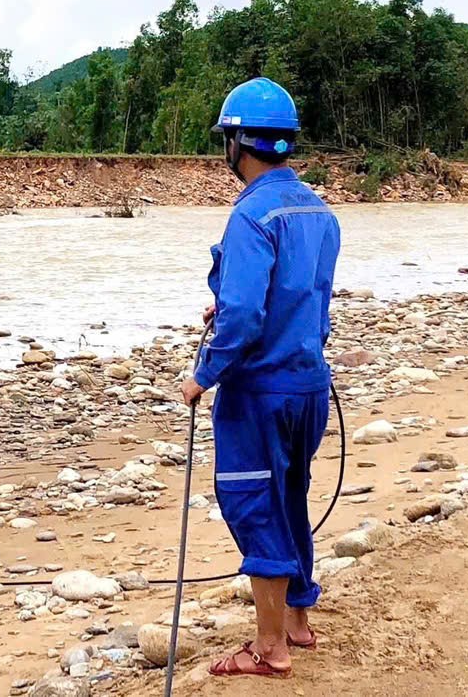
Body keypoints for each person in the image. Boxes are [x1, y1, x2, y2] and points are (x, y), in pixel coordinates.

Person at [179, 77, 341, 680]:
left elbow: (246, 313)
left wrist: (204, 374)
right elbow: (303, 299)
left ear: (238, 142)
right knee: (290, 495)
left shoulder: (251, 214)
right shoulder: (317, 210)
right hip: (308, 385)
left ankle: (269, 648)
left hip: (259, 390)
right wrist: (232, 309)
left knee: (255, 504)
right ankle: (298, 621)